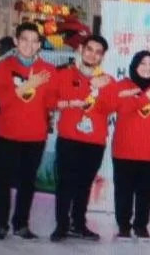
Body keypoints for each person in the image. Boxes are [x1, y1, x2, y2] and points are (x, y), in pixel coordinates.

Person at [102, 50, 150, 240]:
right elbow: (115, 108)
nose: (147, 67)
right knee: (124, 191)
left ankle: (141, 225)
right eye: (143, 63)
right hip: (125, 151)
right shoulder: (122, 86)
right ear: (134, 66)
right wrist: (146, 98)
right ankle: (123, 226)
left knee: (146, 192)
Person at [0, 21, 55, 240]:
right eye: (25, 40)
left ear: (39, 45)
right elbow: (2, 99)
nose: (29, 45)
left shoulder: (48, 70)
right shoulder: (3, 67)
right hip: (7, 134)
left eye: (34, 41)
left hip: (35, 136)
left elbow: (51, 102)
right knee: (3, 181)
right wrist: (27, 85)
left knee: (27, 183)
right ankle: (0, 225)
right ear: (16, 41)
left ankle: (21, 225)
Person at [47, 34, 114, 242]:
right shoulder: (63, 74)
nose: (93, 55)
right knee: (65, 184)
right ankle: (61, 225)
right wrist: (74, 100)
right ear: (81, 50)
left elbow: (111, 107)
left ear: (102, 57)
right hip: (69, 139)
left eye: (98, 52)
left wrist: (98, 88)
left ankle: (79, 224)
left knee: (84, 185)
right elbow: (50, 101)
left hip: (95, 142)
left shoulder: (108, 81)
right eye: (89, 49)